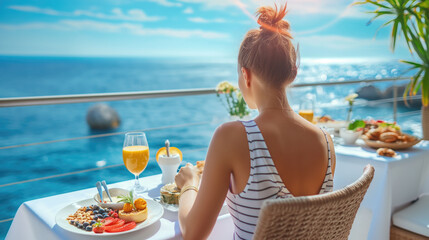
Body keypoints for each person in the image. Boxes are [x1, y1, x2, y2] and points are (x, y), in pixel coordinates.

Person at [175, 4, 336, 240]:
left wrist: (190, 184)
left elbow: (193, 233)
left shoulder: (231, 137)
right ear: (293, 73)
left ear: (246, 75)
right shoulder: (326, 141)